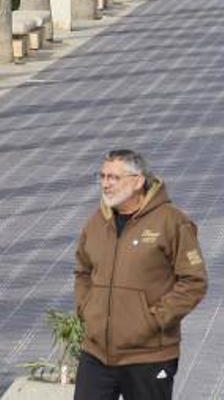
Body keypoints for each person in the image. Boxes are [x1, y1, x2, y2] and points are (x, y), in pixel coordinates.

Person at [73, 150, 207, 400]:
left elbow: (194, 281)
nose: (105, 183)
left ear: (138, 181)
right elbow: (83, 270)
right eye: (102, 176)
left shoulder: (172, 222)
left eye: (114, 177)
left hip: (149, 355)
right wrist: (86, 309)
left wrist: (153, 320)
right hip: (97, 353)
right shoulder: (96, 221)